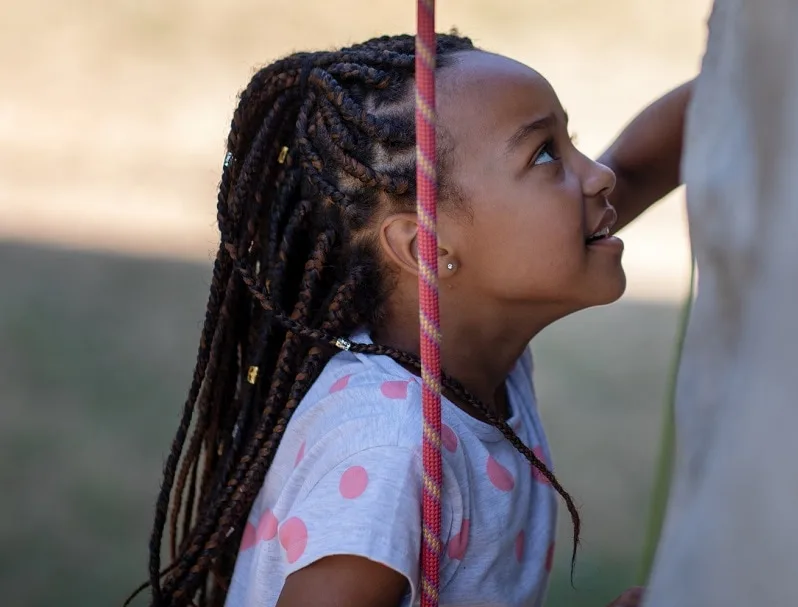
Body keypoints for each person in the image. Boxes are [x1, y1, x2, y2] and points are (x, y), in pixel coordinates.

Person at [132, 32, 686, 607]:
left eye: (572, 143)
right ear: (427, 248)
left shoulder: (472, 349)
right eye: (545, 155)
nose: (599, 176)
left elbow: (638, 167)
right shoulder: (389, 452)